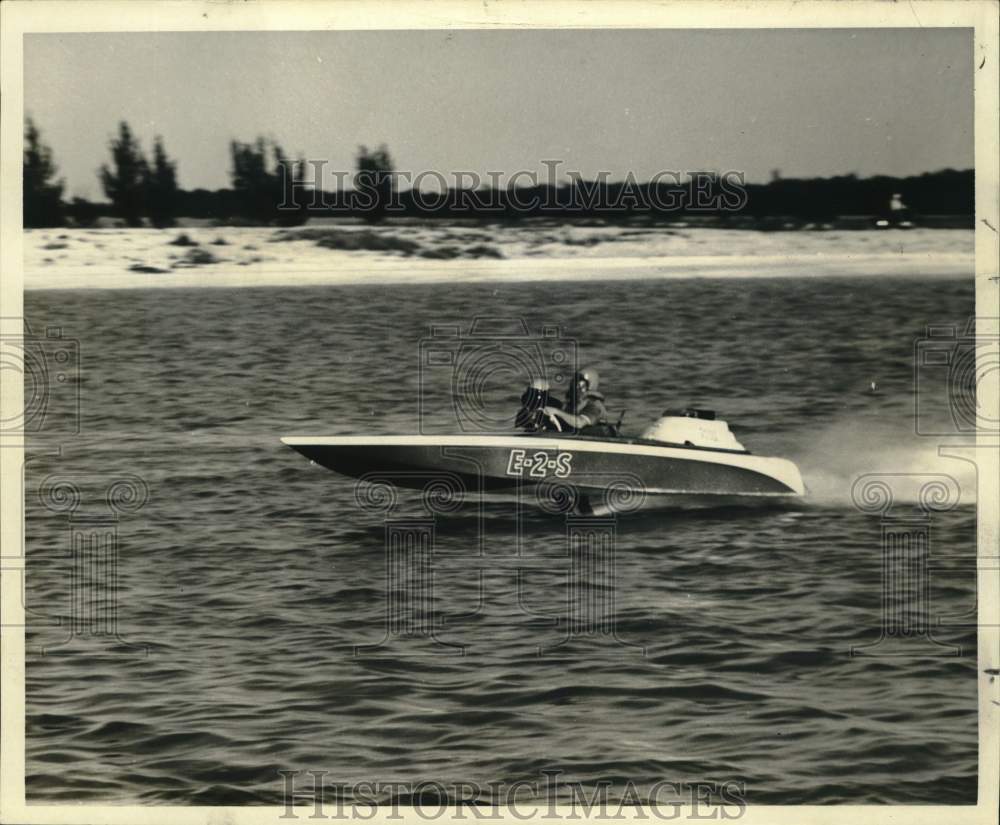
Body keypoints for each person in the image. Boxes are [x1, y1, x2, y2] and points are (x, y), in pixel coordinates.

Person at [542, 366, 609, 434]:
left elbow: (580, 423)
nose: (576, 386)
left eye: (580, 384)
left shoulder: (595, 405)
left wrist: (556, 412)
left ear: (589, 386)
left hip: (591, 441)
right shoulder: (572, 404)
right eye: (575, 382)